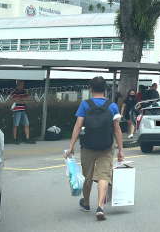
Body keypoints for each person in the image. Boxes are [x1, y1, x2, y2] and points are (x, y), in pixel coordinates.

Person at [66, 76, 124, 221]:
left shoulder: (85, 105)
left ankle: (86, 203)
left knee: (87, 176)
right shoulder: (112, 106)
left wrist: (71, 146)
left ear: (91, 89)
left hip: (88, 146)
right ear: (105, 89)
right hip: (106, 146)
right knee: (104, 175)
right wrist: (121, 150)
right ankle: (100, 207)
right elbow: (117, 129)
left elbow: (78, 126)